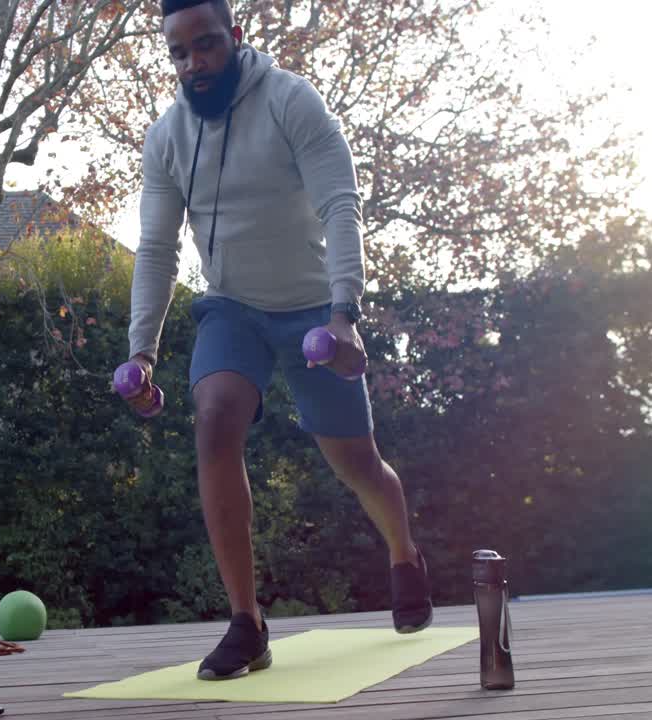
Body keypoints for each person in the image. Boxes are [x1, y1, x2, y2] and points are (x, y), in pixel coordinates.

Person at [120, 0, 434, 681]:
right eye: (178, 53)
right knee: (213, 421)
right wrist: (141, 351)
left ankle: (405, 553)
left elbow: (339, 203)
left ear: (234, 37)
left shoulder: (292, 101)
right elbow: (154, 248)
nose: (193, 64)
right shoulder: (167, 137)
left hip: (314, 308)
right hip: (233, 308)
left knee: (356, 463)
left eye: (205, 46)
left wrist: (344, 312)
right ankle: (247, 624)